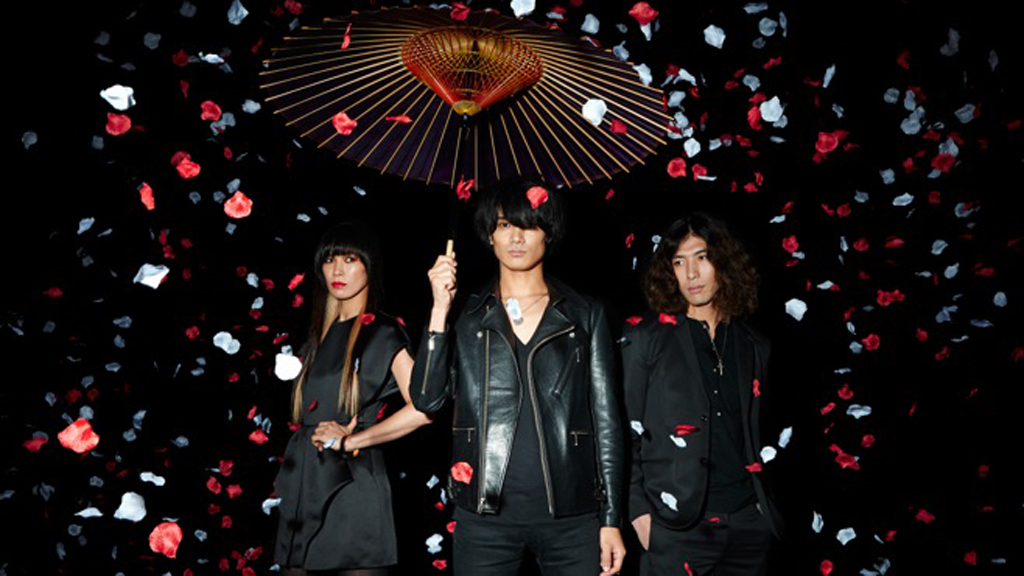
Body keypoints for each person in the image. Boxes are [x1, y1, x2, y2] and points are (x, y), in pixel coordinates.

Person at [410, 179, 626, 576]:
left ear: (548, 232)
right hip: (484, 519)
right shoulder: (466, 317)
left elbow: (607, 421)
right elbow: (427, 399)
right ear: (489, 235)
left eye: (528, 224)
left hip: (573, 517)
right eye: (505, 225)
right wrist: (439, 309)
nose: (516, 237)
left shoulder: (585, 314)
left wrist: (611, 518)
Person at [622, 213, 783, 576]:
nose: (691, 274)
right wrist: (638, 514)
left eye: (702, 257)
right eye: (679, 262)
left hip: (748, 525)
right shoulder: (644, 339)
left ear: (724, 262)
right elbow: (621, 431)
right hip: (676, 529)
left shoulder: (754, 344)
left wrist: (762, 514)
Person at [274, 222, 432, 576]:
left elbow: (423, 408)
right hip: (303, 484)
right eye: (330, 260)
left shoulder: (383, 331)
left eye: (349, 259)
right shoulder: (316, 335)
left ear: (369, 266)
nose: (337, 270)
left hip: (353, 486)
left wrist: (353, 441)